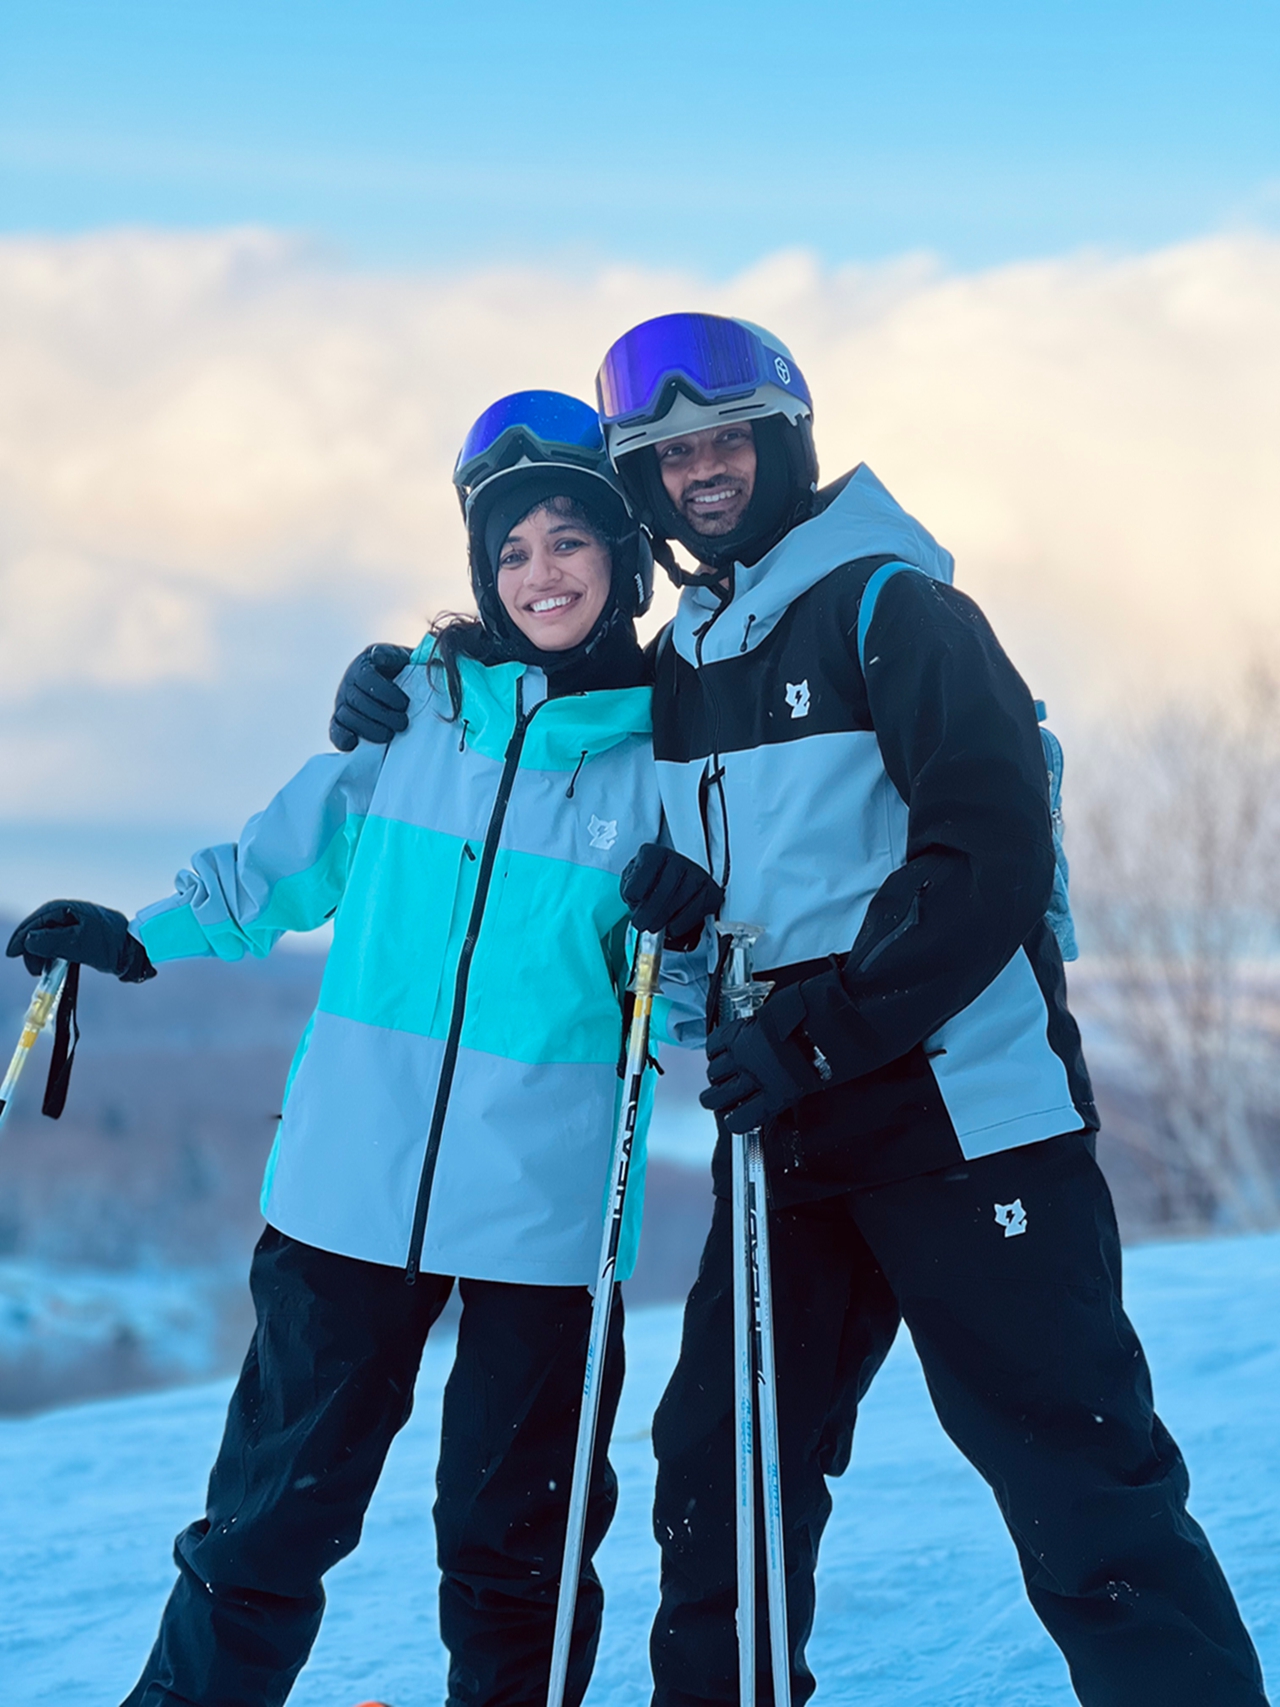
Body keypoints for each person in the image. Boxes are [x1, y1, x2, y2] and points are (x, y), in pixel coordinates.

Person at [593, 311, 1270, 1707]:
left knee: (1079, 1480)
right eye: (667, 457)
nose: (699, 473)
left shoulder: (893, 608)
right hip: (787, 1134)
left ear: (784, 440)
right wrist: (680, 918)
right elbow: (760, 895)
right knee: (722, 1473)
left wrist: (820, 1030)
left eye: (723, 439)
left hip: (964, 1121)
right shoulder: (681, 668)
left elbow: (986, 859)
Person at [6, 390, 715, 1707]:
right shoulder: (415, 719)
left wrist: (697, 934)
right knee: (265, 1528)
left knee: (517, 1552)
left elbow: (676, 1014)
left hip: (545, 1226)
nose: (538, 574)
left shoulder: (663, 764)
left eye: (567, 542)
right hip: (345, 1192)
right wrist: (140, 935)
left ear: (621, 557)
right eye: (510, 551)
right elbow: (275, 867)